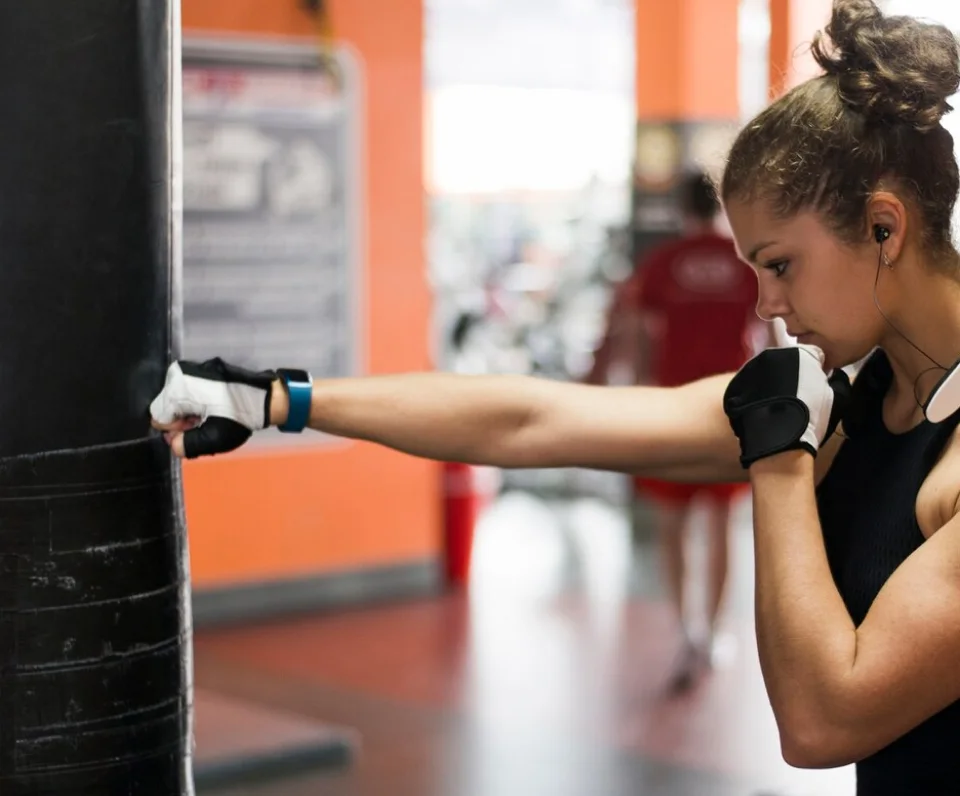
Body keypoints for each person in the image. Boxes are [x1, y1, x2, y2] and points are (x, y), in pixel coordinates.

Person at [152, 1, 960, 791]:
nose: (765, 307)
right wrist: (277, 401)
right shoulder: (865, 398)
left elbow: (824, 723)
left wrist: (780, 462)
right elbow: (535, 420)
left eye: (780, 266)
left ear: (885, 228)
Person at [586, 169, 772, 692]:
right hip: (729, 414)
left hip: (672, 411)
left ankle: (685, 629)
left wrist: (627, 390)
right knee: (719, 527)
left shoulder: (662, 263)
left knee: (672, 523)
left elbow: (638, 339)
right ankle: (711, 632)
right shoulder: (747, 264)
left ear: (679, 209)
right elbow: (774, 341)